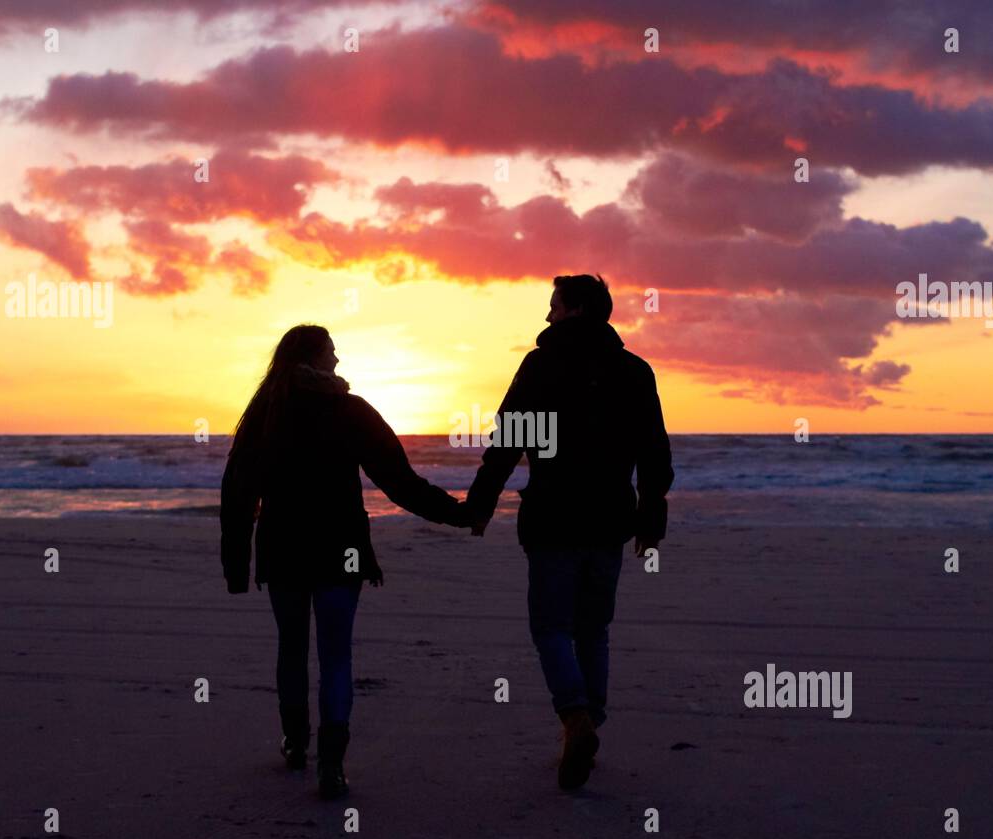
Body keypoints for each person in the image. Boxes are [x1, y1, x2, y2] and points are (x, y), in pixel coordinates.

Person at [221, 324, 468, 799]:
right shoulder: (349, 411)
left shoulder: (264, 413)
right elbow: (400, 483)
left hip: (284, 549)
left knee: (291, 648)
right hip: (341, 550)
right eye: (331, 352)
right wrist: (460, 514)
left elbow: (237, 493)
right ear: (314, 358)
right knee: (336, 655)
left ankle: (296, 742)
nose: (338, 360)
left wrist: (236, 563)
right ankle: (330, 765)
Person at [465, 275, 674, 791]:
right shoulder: (634, 371)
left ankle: (576, 719)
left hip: (554, 518)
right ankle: (588, 727)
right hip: (608, 521)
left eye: (553, 306)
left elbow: (507, 441)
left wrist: (481, 502)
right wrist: (650, 519)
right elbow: (655, 455)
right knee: (593, 629)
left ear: (576, 309)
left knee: (552, 628)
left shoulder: (542, 366)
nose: (547, 317)